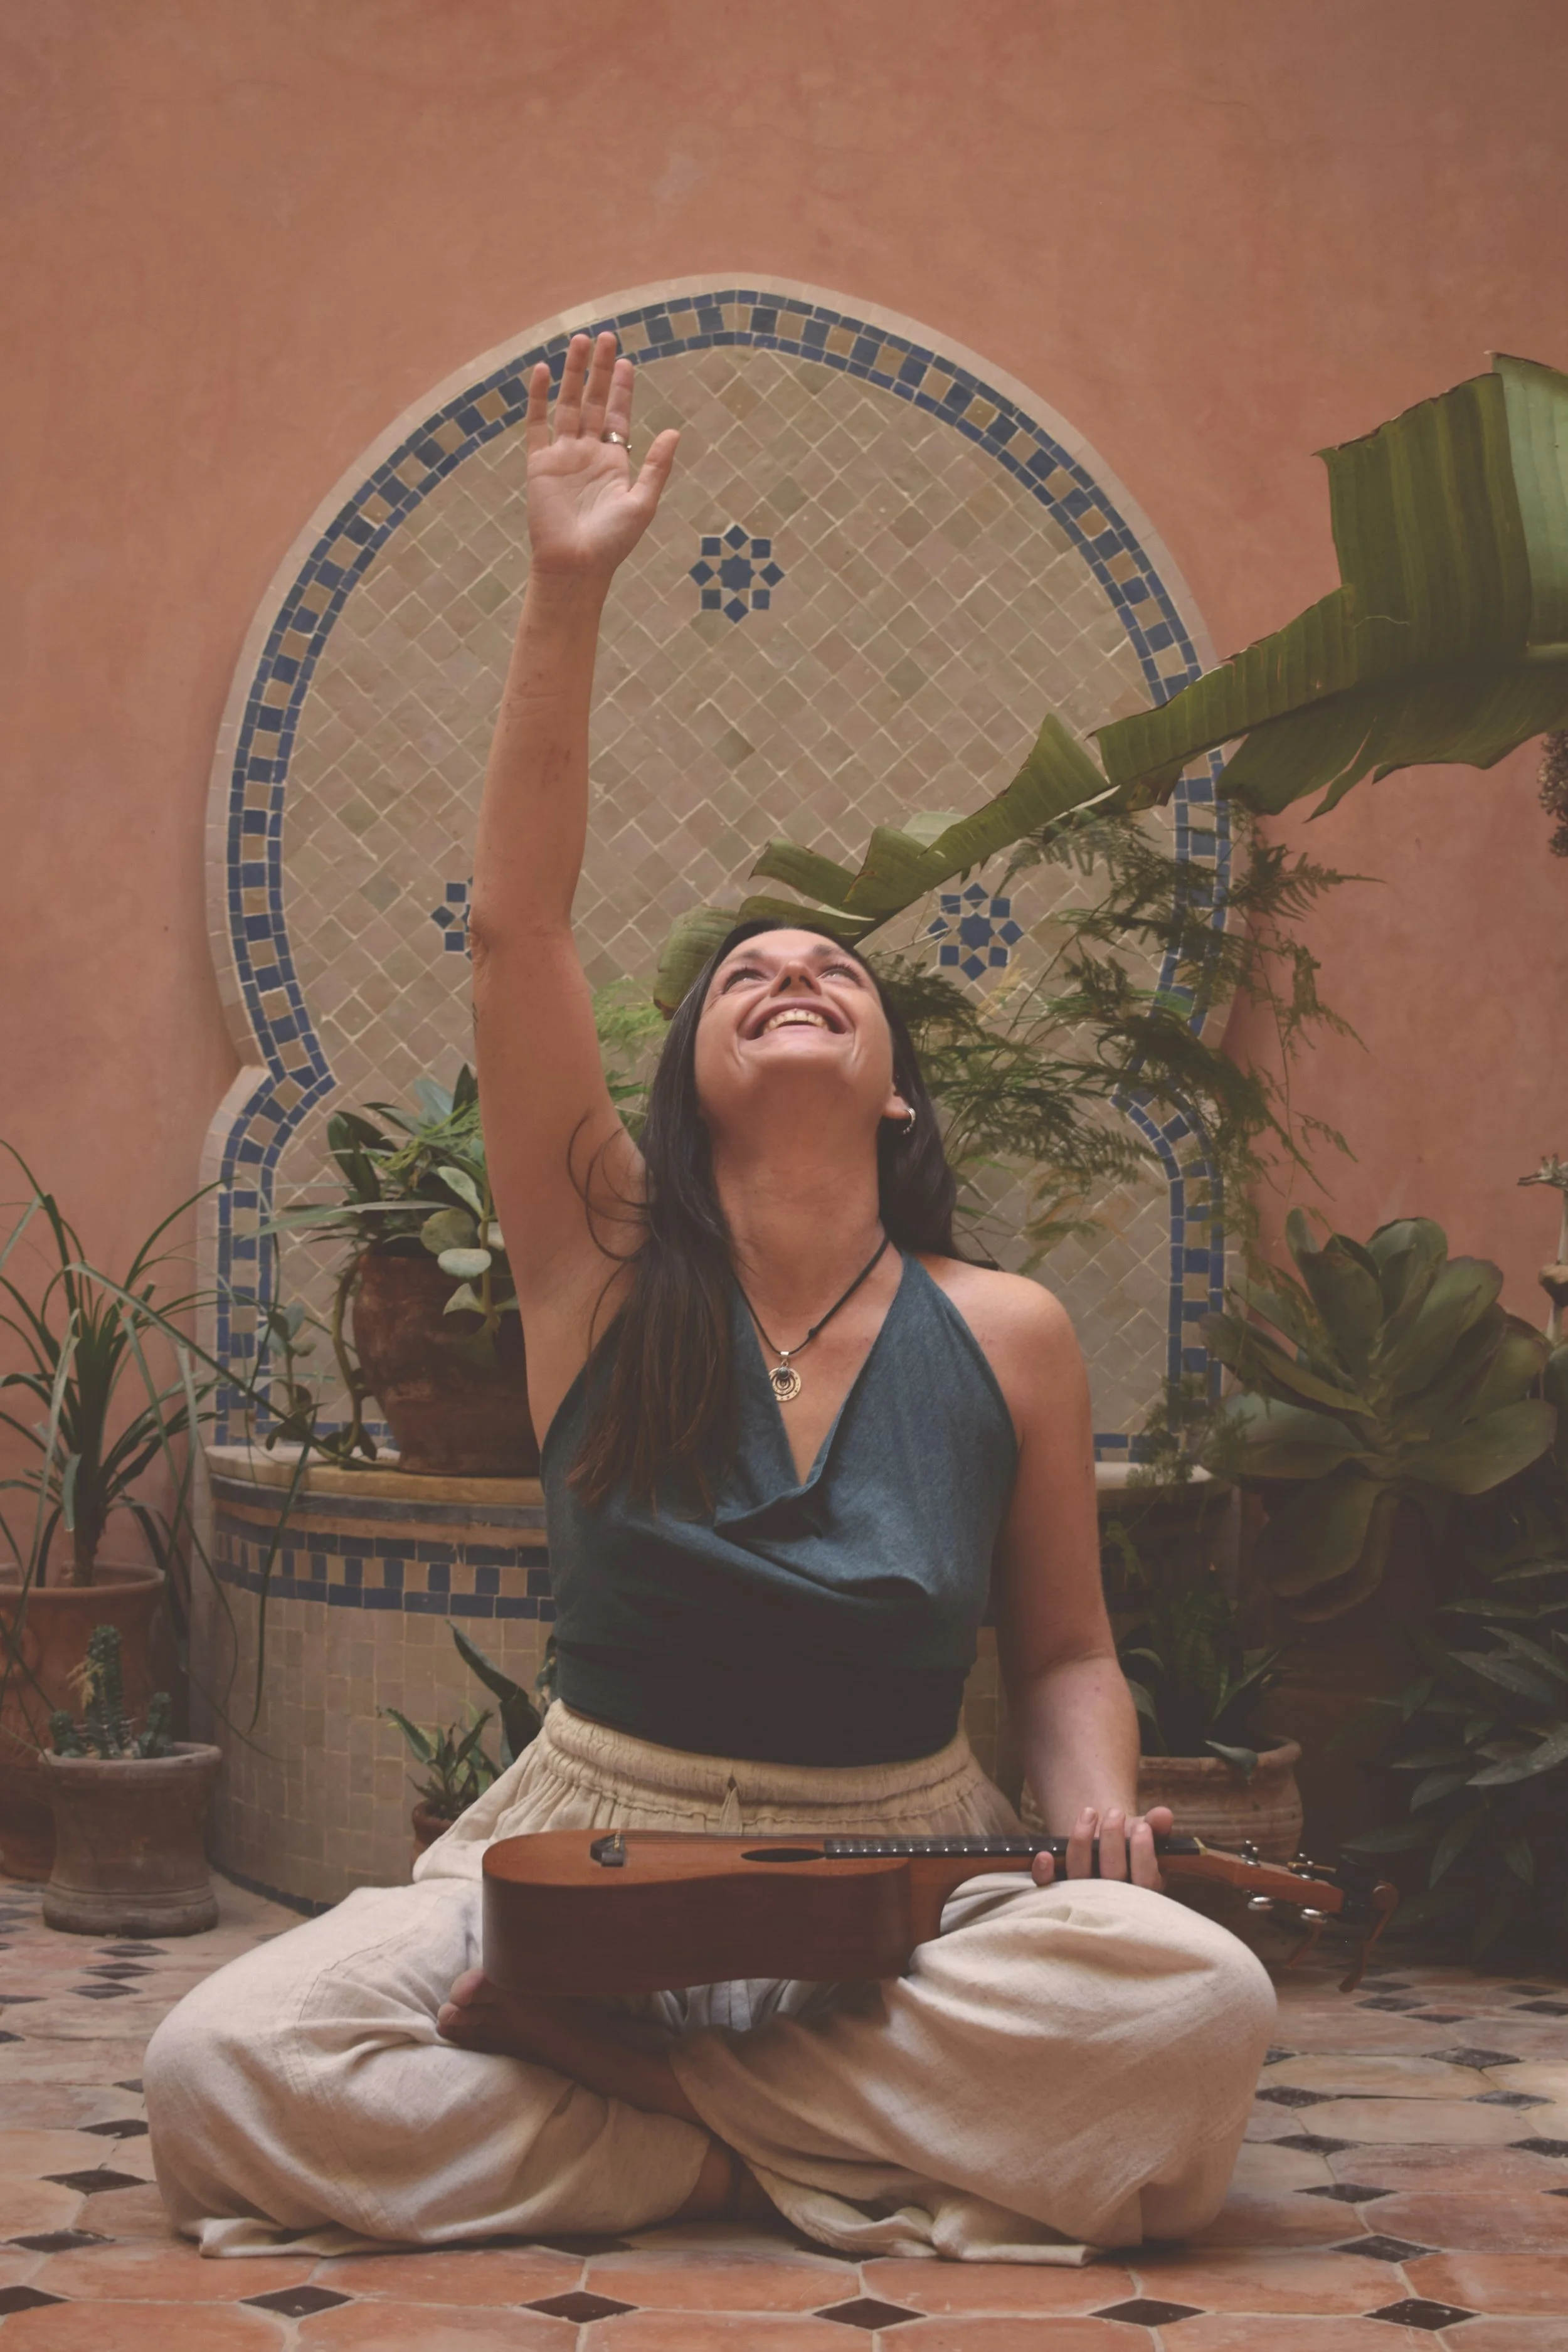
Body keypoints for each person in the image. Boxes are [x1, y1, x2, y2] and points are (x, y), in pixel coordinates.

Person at [146, 331, 1274, 2265]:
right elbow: (517, 925)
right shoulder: (600, 1268)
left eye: (831, 970)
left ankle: (662, 2118)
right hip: (592, 1850)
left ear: (896, 1077)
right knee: (220, 2060)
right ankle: (844, 2152)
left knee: (1194, 2013)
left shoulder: (1005, 1329)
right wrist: (565, 583)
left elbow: (1068, 1653)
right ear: (671, 1092)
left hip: (907, 1868)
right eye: (741, 974)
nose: (789, 972)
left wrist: (1095, 1820)